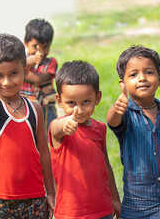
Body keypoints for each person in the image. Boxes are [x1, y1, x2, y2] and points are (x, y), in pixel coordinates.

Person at [106, 45, 160, 218]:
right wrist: (116, 107)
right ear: (122, 83)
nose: (142, 78)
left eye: (149, 72)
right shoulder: (125, 113)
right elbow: (112, 121)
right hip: (137, 205)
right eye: (133, 74)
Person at [0, 33, 55, 219]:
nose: (7, 81)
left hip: (35, 197)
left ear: (26, 70)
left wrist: (51, 191)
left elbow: (44, 152)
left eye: (13, 73)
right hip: (0, 199)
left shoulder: (35, 109)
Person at [49, 60, 121, 219]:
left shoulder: (100, 129)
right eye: (71, 103)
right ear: (59, 101)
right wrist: (65, 124)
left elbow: (106, 165)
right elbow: (56, 128)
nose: (79, 110)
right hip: (71, 212)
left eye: (86, 102)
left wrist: (115, 198)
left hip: (103, 209)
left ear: (97, 97)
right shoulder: (58, 128)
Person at [20, 18, 58, 138]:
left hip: (46, 108)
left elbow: (39, 79)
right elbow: (12, 69)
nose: (40, 52)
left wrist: (21, 70)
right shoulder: (20, 62)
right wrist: (27, 62)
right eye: (35, 46)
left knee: (47, 137)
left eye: (45, 47)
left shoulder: (51, 63)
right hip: (24, 108)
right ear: (26, 43)